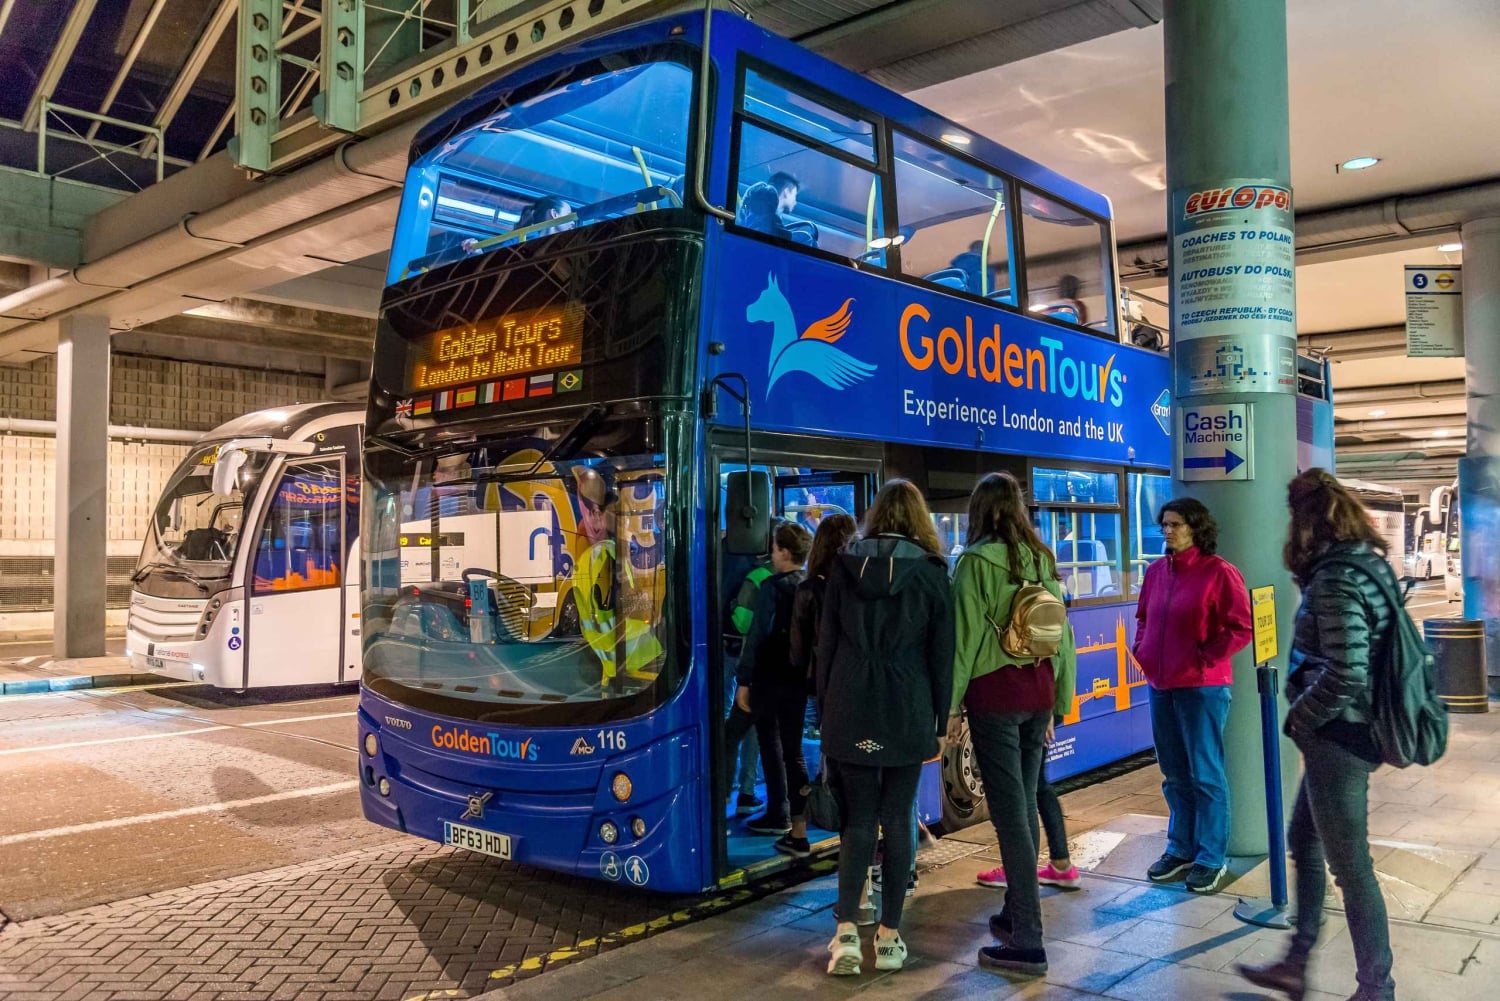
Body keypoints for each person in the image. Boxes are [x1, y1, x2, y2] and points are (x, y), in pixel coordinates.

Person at [1237, 470, 1400, 1001]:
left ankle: (1376, 988)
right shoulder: (1367, 564)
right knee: (1303, 840)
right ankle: (1297, 961)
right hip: (1348, 731)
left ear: (1305, 519)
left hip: (1341, 735)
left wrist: (1301, 717)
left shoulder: (1337, 576)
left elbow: (1347, 669)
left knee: (1351, 868)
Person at [817, 480, 952, 976]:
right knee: (898, 819)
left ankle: (846, 936)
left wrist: (825, 707)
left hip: (850, 702)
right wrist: (941, 718)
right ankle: (891, 938)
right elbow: (943, 655)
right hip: (907, 704)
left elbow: (826, 648)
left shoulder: (843, 568)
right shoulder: (934, 574)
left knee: (856, 821)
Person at [948, 471, 1075, 978]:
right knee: (1024, 802)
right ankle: (1014, 912)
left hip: (995, 698)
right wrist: (1060, 703)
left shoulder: (976, 562)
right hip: (1038, 694)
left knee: (1011, 816)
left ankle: (1029, 943)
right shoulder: (1040, 558)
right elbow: (1060, 638)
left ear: (979, 510)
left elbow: (963, 643)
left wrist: (950, 710)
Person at [1133, 497, 1252, 895]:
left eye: (1176, 524)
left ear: (1196, 528)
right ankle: (1179, 847)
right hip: (1161, 686)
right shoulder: (1155, 573)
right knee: (1174, 774)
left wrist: (1205, 658)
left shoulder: (1220, 573)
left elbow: (1241, 627)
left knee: (1205, 775)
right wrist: (1144, 654)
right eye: (1164, 524)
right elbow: (1144, 619)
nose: (1167, 531)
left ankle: (1210, 857)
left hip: (1202, 688)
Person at [722, 521, 813, 838]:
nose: (771, 554)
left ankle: (731, 806)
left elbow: (756, 638)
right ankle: (787, 814)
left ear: (785, 552)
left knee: (742, 737)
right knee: (791, 750)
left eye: (774, 548)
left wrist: (743, 682)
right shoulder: (810, 585)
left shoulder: (770, 589)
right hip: (796, 682)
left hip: (766, 681)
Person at [783, 513, 858, 857]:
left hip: (818, 686)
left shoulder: (809, 589)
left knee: (819, 757)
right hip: (858, 686)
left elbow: (798, 653)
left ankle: (838, 835)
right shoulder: (861, 583)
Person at [571, 466, 663, 686]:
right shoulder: (608, 554)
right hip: (639, 665)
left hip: (610, 663)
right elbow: (629, 603)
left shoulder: (589, 556)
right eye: (618, 513)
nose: (626, 520)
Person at [973, 756, 1082, 892]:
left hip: (1017, 736)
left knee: (1019, 787)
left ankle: (1019, 870)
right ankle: (1061, 865)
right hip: (1034, 735)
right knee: (1038, 784)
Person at [723, 537, 772, 818]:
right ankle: (747, 790)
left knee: (724, 722)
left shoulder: (724, 552)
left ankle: (718, 790)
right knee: (753, 726)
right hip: (752, 661)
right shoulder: (768, 576)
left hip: (723, 648)